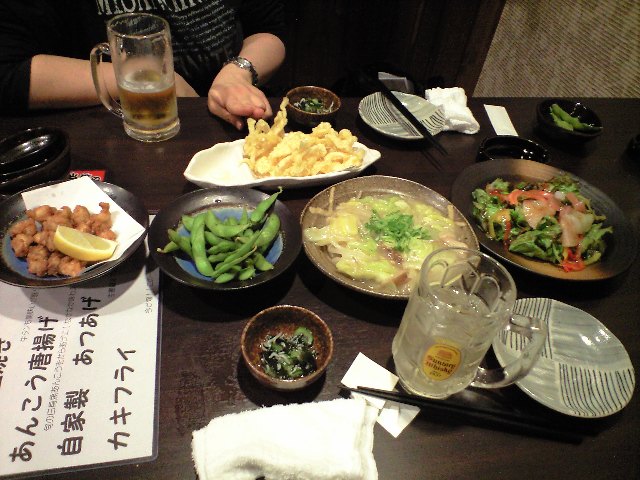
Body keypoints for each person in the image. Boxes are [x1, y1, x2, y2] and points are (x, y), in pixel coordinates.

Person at [0, 0, 286, 130]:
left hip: (231, 122)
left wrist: (237, 73)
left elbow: (270, 29)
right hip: (118, 130)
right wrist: (151, 79)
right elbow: (9, 72)